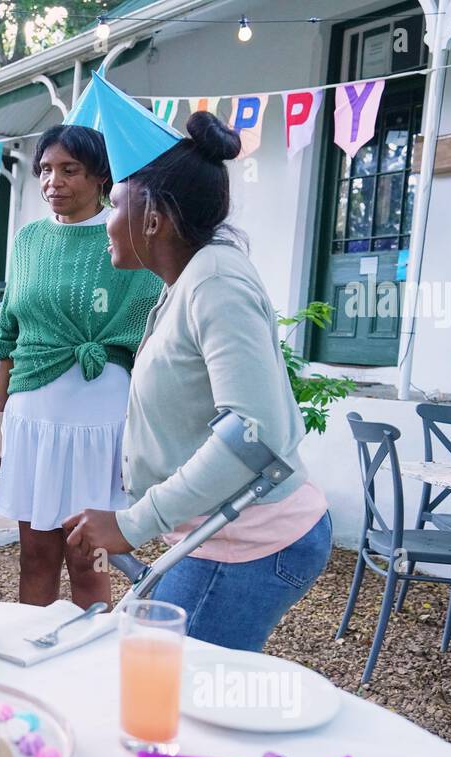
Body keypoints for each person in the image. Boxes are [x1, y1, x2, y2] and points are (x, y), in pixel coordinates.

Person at [64, 103, 332, 653]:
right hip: (212, 533)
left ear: (154, 218)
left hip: (248, 538)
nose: (107, 222)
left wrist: (134, 522)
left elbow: (251, 434)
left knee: (178, 697)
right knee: (158, 683)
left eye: (115, 205)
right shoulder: (186, 281)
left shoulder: (216, 280)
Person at [0, 125, 162, 610]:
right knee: (35, 558)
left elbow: (149, 345)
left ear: (101, 175)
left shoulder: (128, 237)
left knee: (90, 559)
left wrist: (140, 439)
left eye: (69, 170)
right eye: (44, 170)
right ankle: (31, 665)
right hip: (32, 421)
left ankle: (87, 669)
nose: (52, 181)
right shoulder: (27, 241)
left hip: (102, 426)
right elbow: (7, 338)